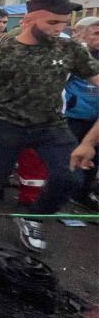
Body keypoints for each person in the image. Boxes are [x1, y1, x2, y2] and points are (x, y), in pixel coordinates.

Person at [0, 0, 99, 252]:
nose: (60, 28)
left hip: (51, 125)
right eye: (53, 22)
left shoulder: (69, 49)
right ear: (29, 20)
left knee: (71, 178)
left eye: (64, 22)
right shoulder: (2, 49)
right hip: (5, 123)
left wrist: (89, 142)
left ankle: (33, 217)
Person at [64, 19, 99, 211]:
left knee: (93, 159)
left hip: (96, 120)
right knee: (68, 156)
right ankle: (61, 192)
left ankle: (82, 194)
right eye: (96, 34)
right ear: (82, 34)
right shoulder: (73, 56)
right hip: (74, 115)